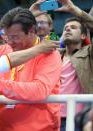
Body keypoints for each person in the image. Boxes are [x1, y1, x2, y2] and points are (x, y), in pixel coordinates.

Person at [0, 7, 62, 131]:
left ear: (32, 30)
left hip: (41, 128)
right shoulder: (1, 51)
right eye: (7, 36)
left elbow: (39, 90)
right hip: (3, 126)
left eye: (15, 37)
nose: (10, 42)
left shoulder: (50, 53)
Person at [54, 0, 93, 131]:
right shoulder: (53, 56)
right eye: (65, 28)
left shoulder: (89, 53)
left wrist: (75, 10)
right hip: (52, 117)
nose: (68, 29)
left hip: (79, 118)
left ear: (83, 35)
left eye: (73, 27)